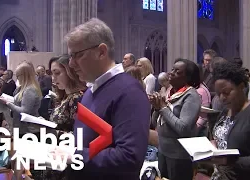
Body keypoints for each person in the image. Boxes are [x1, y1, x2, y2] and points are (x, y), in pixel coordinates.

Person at [63, 18, 151, 179]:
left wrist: (74, 154)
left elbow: (129, 157)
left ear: (101, 52)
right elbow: (88, 141)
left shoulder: (129, 92)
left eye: (77, 55)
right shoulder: (91, 91)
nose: (71, 63)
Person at [209, 61, 250, 180]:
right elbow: (221, 137)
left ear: (241, 87)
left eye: (226, 92)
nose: (222, 98)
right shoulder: (225, 112)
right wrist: (213, 145)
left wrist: (230, 161)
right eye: (218, 94)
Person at [150, 58, 201, 180]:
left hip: (179, 155)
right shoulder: (170, 92)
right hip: (163, 149)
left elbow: (183, 128)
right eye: (172, 69)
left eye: (177, 72)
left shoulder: (191, 95)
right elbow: (155, 123)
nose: (171, 73)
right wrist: (156, 108)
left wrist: (163, 108)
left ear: (187, 78)